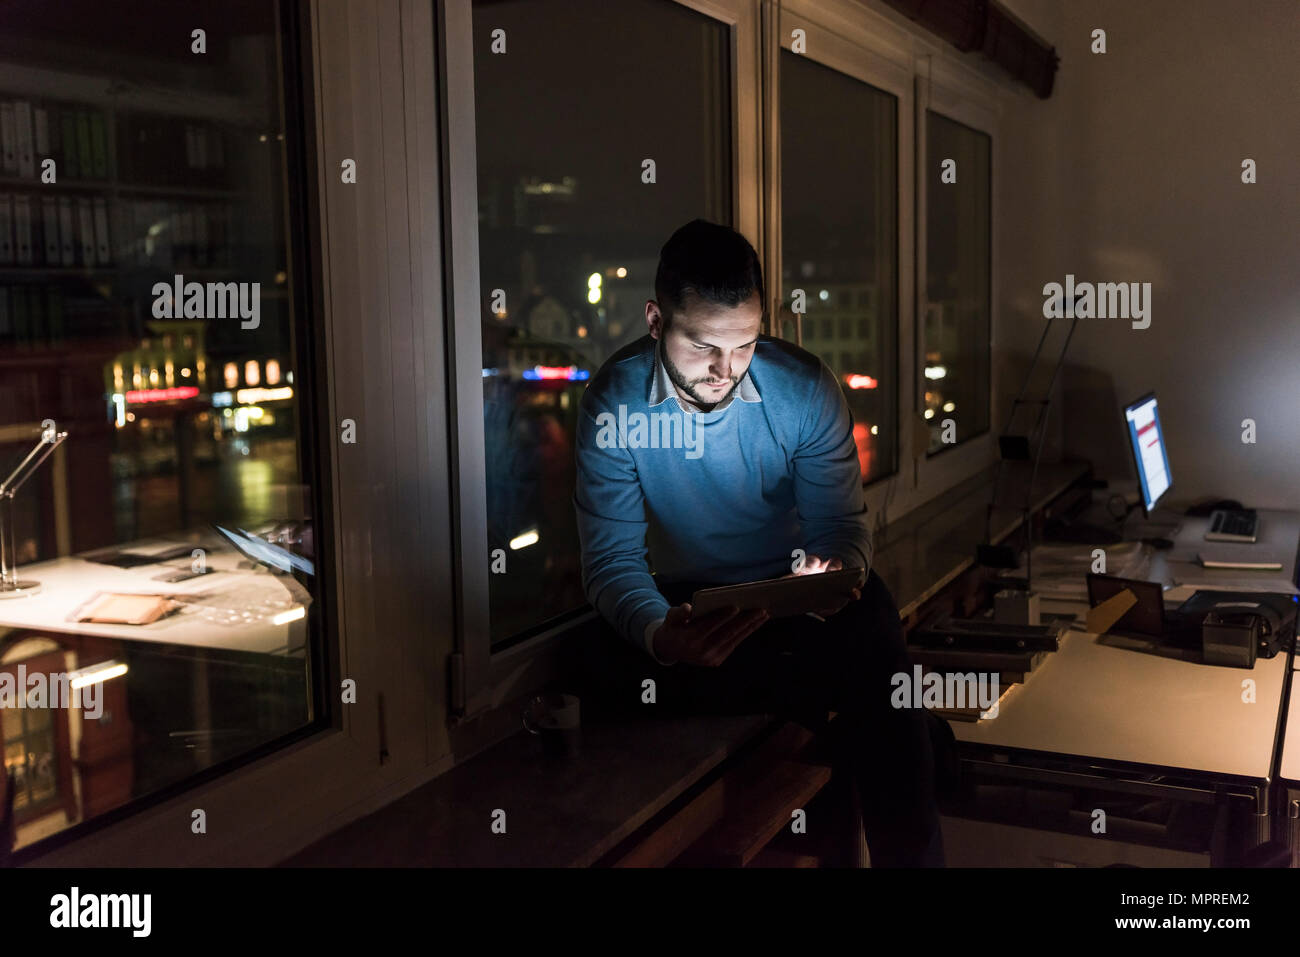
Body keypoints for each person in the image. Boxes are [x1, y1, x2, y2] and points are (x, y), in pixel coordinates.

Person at [573, 218, 944, 866]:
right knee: (592, 663)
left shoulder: (803, 389)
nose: (726, 371)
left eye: (745, 344)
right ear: (656, 322)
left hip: (794, 598)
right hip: (697, 607)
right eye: (704, 347)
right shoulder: (615, 403)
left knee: (876, 641)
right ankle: (889, 728)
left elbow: (841, 526)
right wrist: (662, 632)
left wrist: (835, 571)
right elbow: (611, 560)